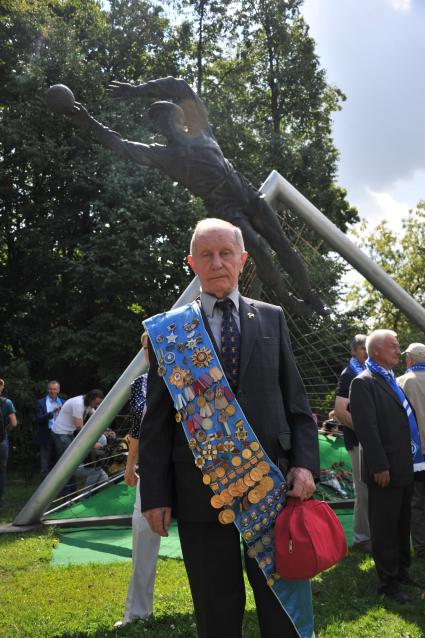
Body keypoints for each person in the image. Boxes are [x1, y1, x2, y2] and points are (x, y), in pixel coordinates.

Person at [139, 218, 319, 638]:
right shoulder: (169, 332)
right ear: (192, 263)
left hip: (271, 486)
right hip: (201, 491)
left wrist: (306, 465)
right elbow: (157, 423)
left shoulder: (273, 319)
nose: (217, 262)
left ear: (243, 260)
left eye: (225, 254)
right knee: (216, 608)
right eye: (206, 254)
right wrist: (156, 495)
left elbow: (297, 403)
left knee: (281, 607)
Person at [65, 76, 327, 318]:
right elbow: (122, 146)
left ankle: (309, 294)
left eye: (166, 118)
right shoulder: (165, 155)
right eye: (158, 123)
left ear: (179, 119)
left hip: (245, 192)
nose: (163, 125)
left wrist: (136, 90)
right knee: (258, 250)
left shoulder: (201, 131)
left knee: (281, 243)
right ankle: (288, 300)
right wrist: (89, 122)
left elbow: (179, 86)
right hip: (225, 208)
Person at [350, 330, 423, 604]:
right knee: (385, 527)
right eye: (393, 346)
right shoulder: (363, 382)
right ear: (377, 351)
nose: (398, 350)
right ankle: (388, 582)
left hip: (403, 466)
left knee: (402, 523)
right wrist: (380, 465)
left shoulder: (390, 379)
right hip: (385, 470)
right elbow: (367, 429)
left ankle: (401, 570)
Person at [114, 332, 161, 628]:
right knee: (142, 534)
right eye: (147, 347)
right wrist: (131, 466)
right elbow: (136, 431)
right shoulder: (140, 385)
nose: (151, 352)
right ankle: (137, 611)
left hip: (189, 469)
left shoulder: (187, 378)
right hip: (151, 471)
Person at [333, 334, 370, 551]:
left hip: (372, 442)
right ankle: (361, 539)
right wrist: (368, 431)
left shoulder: (372, 372)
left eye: (367, 347)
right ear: (354, 351)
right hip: (358, 441)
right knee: (363, 489)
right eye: (361, 348)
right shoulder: (349, 374)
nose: (365, 351)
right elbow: (339, 412)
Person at [397, 342, 425, 559]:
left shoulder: (401, 382)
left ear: (411, 359)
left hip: (416, 453)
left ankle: (421, 548)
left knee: (417, 503)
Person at [34, 380, 64, 479]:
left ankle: (58, 483)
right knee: (45, 462)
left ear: (58, 390)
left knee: (59, 460)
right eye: (50, 389)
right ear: (47, 390)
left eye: (54, 389)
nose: (52, 391)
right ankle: (44, 488)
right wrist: (51, 413)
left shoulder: (63, 402)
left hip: (60, 434)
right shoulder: (40, 403)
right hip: (46, 434)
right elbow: (38, 419)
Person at [0, 378, 17, 509]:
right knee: (1, 471)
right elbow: (14, 423)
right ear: (2, 387)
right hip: (1, 439)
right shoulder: (7, 402)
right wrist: (5, 430)